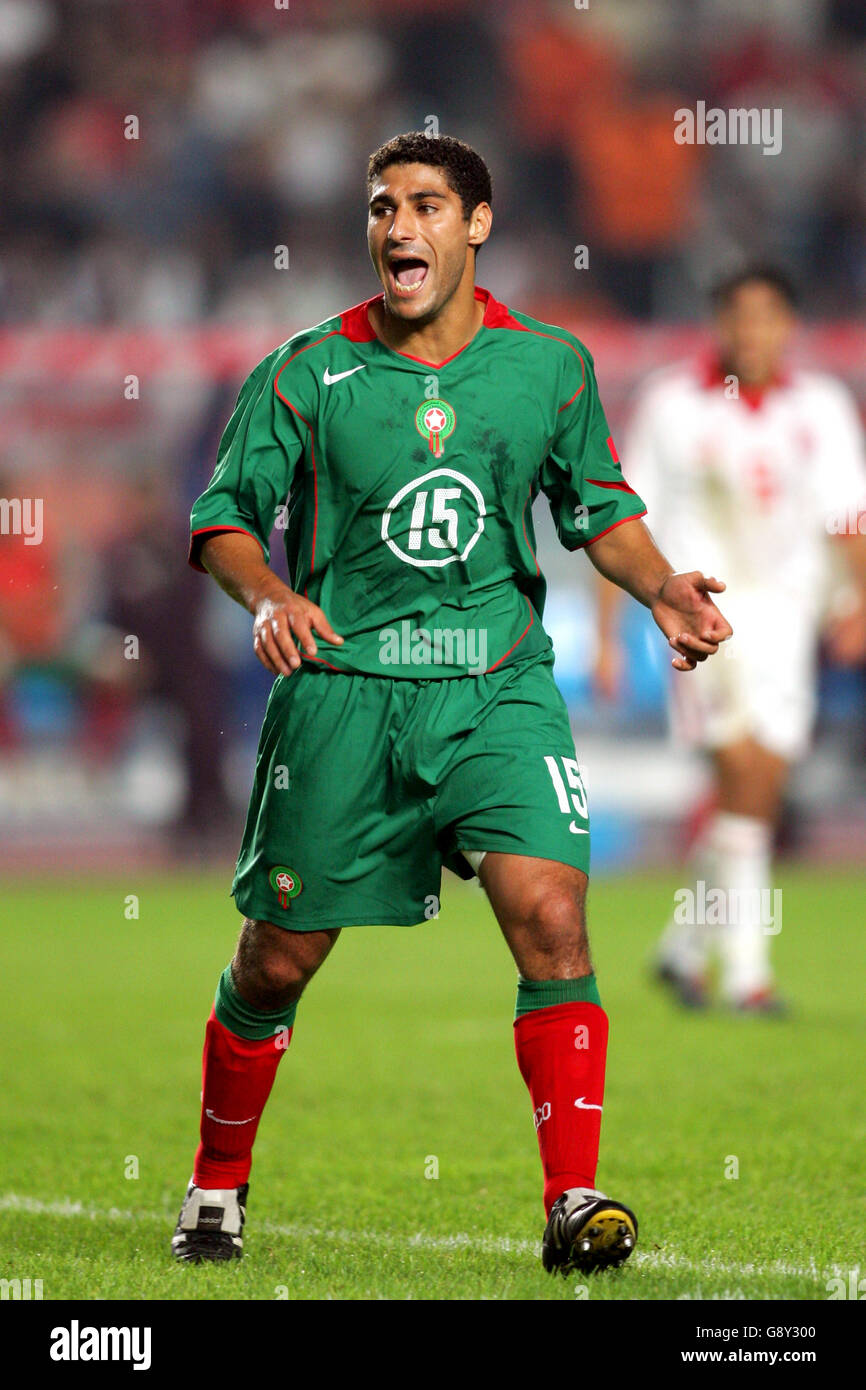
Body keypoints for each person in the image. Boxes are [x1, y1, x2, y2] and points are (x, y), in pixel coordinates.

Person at [173, 132, 732, 1276]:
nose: (395, 228)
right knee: (277, 959)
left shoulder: (549, 366)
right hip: (344, 692)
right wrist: (269, 591)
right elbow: (222, 517)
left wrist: (662, 582)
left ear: (473, 226)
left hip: (495, 686)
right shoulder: (302, 369)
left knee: (551, 916)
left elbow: (599, 514)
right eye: (381, 207)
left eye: (424, 206)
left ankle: (572, 1199)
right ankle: (216, 1186)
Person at [596, 265, 866, 1012]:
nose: (752, 331)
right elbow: (618, 516)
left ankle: (684, 949)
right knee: (742, 769)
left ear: (788, 325)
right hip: (701, 609)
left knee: (759, 787)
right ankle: (749, 977)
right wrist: (610, 638)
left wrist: (860, 600)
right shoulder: (673, 406)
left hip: (791, 618)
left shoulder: (822, 407)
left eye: (767, 316)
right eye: (738, 316)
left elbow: (849, 512)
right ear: (718, 322)